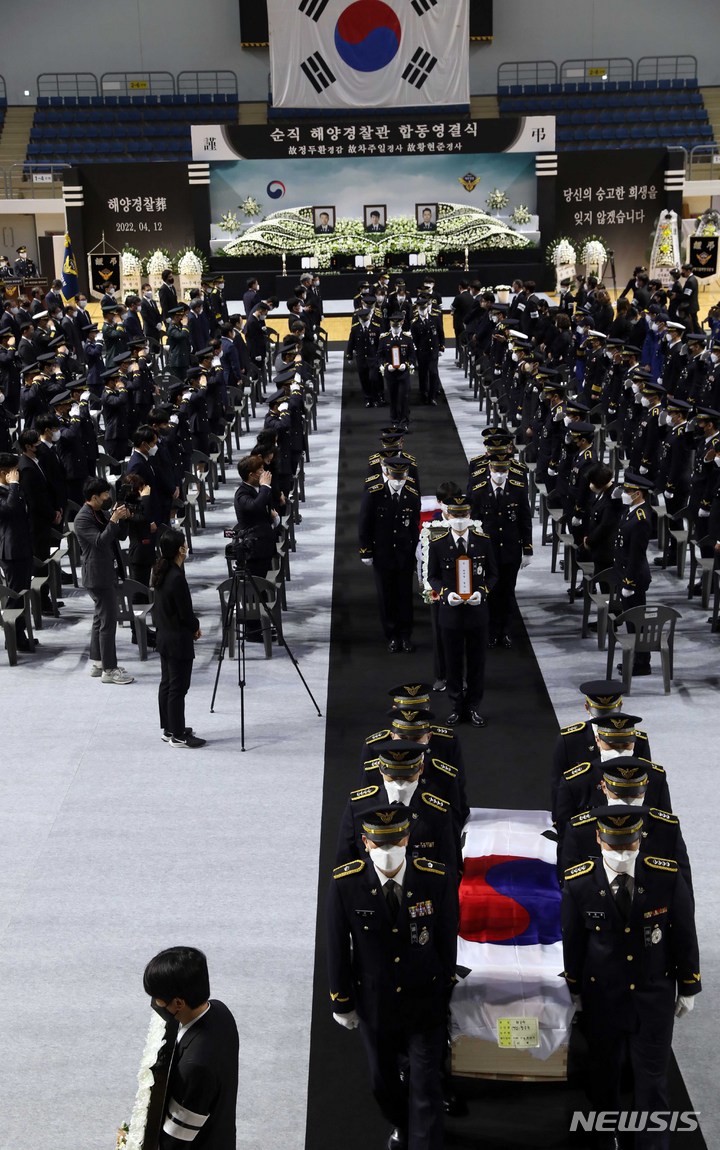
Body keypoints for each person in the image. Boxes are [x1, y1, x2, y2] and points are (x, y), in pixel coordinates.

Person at [561, 807, 701, 1150]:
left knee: (652, 1081)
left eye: (630, 846)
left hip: (653, 995)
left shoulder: (665, 877)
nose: (623, 855)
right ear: (598, 839)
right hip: (602, 998)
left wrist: (689, 984)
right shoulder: (579, 882)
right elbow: (574, 942)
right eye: (614, 846)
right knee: (604, 1075)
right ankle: (606, 1136)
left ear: (641, 840)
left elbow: (683, 932)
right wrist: (575, 989)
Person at [327, 804, 457, 1150]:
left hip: (424, 1000)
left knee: (427, 1085)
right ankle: (401, 1123)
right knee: (382, 1083)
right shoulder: (347, 883)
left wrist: (445, 987)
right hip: (376, 1003)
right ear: (366, 843)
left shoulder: (435, 877)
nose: (389, 851)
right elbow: (337, 944)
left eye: (396, 841)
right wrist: (342, 1000)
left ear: (407, 838)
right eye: (380, 844)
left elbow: (446, 938)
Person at [143, 946, 238, 1147]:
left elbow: (174, 1141)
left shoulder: (195, 1066)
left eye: (159, 999)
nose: (156, 1003)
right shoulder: (221, 1011)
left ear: (178, 1003)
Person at [426, 493, 497, 727]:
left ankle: (474, 707)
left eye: (463, 515)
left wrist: (483, 592)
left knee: (477, 664)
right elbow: (433, 576)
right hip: (451, 612)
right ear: (447, 515)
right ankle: (456, 707)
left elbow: (494, 574)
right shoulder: (437, 544)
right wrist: (446, 593)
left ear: (469, 515)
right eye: (455, 515)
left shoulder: (483, 541)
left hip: (477, 611)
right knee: (454, 664)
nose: (459, 519)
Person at [468, 448, 532, 648]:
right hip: (489, 552)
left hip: (510, 550)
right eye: (497, 469)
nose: (500, 474)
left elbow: (524, 519)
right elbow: (474, 523)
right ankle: (491, 630)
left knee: (508, 592)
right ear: (489, 467)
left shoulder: (517, 488)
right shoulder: (478, 490)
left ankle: (505, 630)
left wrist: (527, 549)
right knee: (490, 592)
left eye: (504, 470)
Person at [74, 476, 134, 684]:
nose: (108, 498)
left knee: (100, 620)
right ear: (93, 498)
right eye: (105, 495)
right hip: (97, 575)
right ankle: (110, 669)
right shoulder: (82, 518)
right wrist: (114, 520)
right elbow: (100, 541)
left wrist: (123, 518)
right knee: (108, 622)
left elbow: (119, 536)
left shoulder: (98, 511)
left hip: (106, 571)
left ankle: (99, 662)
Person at [359, 455, 421, 653]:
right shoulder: (374, 493)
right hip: (382, 553)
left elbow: (413, 526)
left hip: (404, 554)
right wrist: (365, 550)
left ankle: (405, 635)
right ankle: (392, 635)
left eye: (402, 477)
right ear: (386, 473)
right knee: (386, 596)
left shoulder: (411, 494)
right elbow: (364, 523)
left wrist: (415, 551)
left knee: (405, 595)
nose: (399, 481)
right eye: (395, 477)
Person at [150, 529, 204, 747]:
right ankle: (179, 735)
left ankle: (170, 727)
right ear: (180, 550)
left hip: (164, 636)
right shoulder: (176, 577)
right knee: (178, 688)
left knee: (168, 684)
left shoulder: (161, 570)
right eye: (185, 544)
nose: (187, 547)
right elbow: (185, 612)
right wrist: (195, 627)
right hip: (177, 640)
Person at [612, 471, 654, 676]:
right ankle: (638, 659)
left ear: (638, 493)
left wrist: (628, 582)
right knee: (631, 621)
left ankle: (642, 663)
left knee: (637, 621)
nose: (624, 493)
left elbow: (636, 555)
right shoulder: (632, 510)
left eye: (627, 491)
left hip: (634, 577)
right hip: (626, 573)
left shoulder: (641, 518)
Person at [0, 451, 36, 651]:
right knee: (14, 595)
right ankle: (12, 638)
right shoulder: (6, 490)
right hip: (11, 551)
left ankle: (20, 634)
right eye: (15, 471)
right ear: (5, 472)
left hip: (23, 547)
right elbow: (9, 510)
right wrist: (13, 485)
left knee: (22, 593)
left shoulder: (16, 489)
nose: (18, 474)